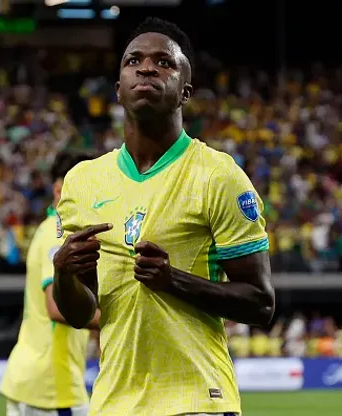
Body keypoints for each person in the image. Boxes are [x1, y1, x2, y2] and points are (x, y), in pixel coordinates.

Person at [52, 17, 275, 416]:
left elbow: (261, 303)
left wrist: (175, 281)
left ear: (184, 92)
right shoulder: (81, 183)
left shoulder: (218, 174)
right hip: (113, 403)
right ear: (118, 89)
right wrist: (64, 273)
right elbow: (81, 313)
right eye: (133, 60)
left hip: (196, 400)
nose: (147, 67)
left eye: (164, 62)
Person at [0, 152, 100, 416]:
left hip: (37, 381)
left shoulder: (51, 230)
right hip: (51, 385)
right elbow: (56, 308)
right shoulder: (59, 235)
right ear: (59, 189)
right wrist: (121, 319)